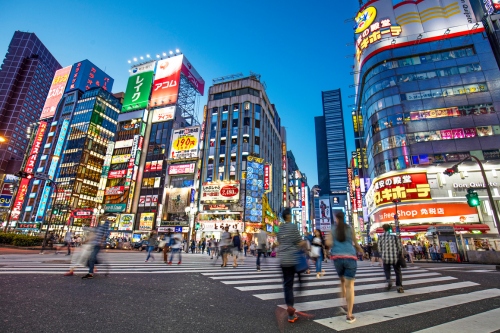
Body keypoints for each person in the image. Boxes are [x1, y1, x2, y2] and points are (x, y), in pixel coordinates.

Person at [326, 212, 364, 324]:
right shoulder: (350, 228)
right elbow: (356, 243)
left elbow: (328, 242)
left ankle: (343, 302)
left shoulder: (332, 229)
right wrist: (361, 251)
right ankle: (349, 314)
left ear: (336, 218)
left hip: (337, 258)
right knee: (350, 285)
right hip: (350, 257)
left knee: (342, 280)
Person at [277, 208, 306, 323]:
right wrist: (306, 244)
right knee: (299, 275)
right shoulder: (293, 227)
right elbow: (299, 241)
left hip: (283, 260)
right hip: (293, 258)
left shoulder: (280, 228)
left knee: (287, 285)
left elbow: (279, 241)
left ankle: (290, 311)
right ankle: (300, 287)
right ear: (288, 216)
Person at [378, 224, 404, 294]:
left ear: (383, 229)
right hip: (395, 257)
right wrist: (400, 254)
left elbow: (379, 249)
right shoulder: (395, 237)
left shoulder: (381, 237)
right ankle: (399, 287)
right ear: (390, 229)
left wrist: (382, 254)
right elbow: (400, 247)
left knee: (387, 270)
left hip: (385, 257)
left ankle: (389, 280)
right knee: (398, 272)